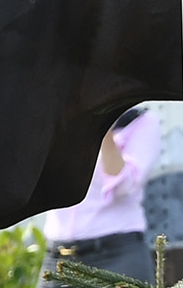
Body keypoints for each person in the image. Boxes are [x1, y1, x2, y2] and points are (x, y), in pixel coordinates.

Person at [38, 108, 160, 288]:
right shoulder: (62, 118)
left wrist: (103, 127)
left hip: (117, 255)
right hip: (59, 258)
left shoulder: (141, 122)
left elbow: (123, 187)